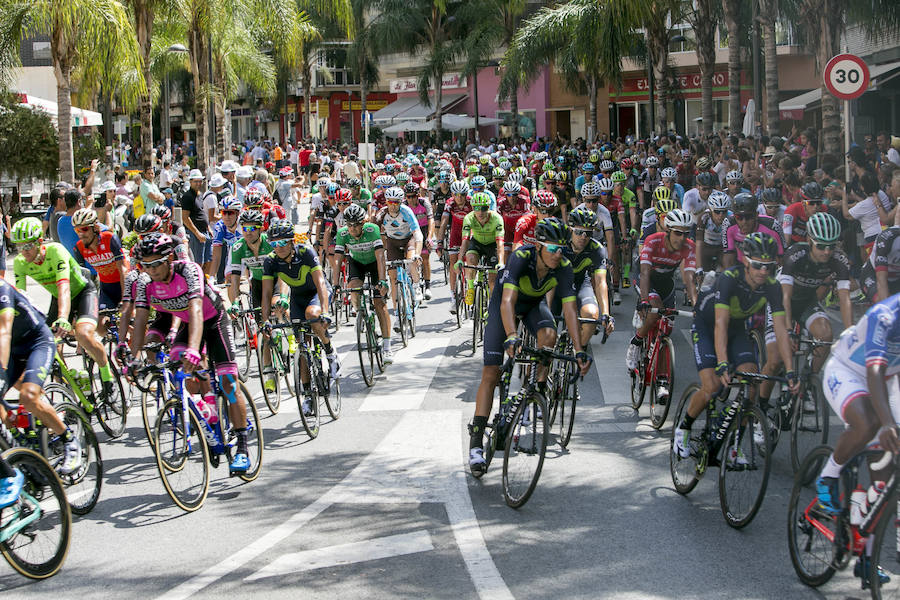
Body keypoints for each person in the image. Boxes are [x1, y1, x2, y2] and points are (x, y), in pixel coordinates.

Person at [468, 218, 592, 474]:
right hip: (506, 303)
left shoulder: (564, 266)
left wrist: (580, 350)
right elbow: (507, 302)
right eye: (553, 248)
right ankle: (476, 442)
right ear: (538, 246)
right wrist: (512, 335)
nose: (559, 254)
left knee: (549, 336)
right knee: (491, 372)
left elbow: (569, 310)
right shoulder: (521, 257)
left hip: (534, 305)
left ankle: (535, 387)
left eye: (562, 248)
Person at [129, 233, 252, 472]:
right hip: (188, 324)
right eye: (146, 265)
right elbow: (142, 318)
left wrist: (195, 350)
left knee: (228, 382)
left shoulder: (188, 270)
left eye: (156, 264)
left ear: (170, 258)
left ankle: (243, 447)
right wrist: (135, 357)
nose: (151, 270)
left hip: (213, 321)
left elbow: (196, 309)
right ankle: (207, 406)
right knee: (178, 365)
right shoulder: (145, 283)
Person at [674, 232, 798, 461]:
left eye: (769, 266)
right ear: (747, 262)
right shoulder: (730, 278)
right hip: (707, 324)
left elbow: (781, 329)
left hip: (737, 327)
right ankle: (684, 428)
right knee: (711, 386)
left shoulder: (772, 286)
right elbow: (720, 323)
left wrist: (790, 370)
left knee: (751, 383)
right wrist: (722, 363)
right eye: (759, 265)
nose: (764, 271)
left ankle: (733, 444)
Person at [816, 292, 900, 587]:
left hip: (889, 380)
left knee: (887, 473)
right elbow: (873, 370)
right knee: (868, 423)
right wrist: (888, 422)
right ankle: (827, 476)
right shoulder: (886, 314)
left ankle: (866, 556)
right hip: (849, 370)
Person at [11, 217, 120, 406]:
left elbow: (64, 288)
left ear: (39, 242)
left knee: (83, 334)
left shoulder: (55, 251)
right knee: (52, 347)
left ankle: (106, 375)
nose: (24, 252)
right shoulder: (21, 263)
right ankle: (69, 396)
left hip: (82, 291)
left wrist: (63, 318)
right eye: (19, 247)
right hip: (58, 298)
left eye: (27, 246)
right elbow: (21, 297)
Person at [0, 279, 82, 477]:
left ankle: (69, 440)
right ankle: (18, 442)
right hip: (11, 350)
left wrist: (2, 370)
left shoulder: (2, 289)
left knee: (28, 397)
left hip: (36, 341)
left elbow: (4, 332)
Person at [260, 221, 340, 414]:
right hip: (298, 298)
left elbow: (320, 283)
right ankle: (307, 395)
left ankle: (330, 353)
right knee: (301, 345)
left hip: (316, 293)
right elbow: (266, 293)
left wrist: (326, 311)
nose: (277, 248)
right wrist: (265, 321)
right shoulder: (271, 261)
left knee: (312, 314)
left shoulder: (306, 253)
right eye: (273, 244)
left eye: (282, 243)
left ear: (291, 242)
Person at [626, 209, 698, 382]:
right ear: (668, 230)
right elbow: (644, 273)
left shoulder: (689, 246)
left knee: (665, 329)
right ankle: (635, 343)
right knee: (655, 310)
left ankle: (662, 378)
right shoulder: (653, 241)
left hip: (666, 283)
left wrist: (697, 305)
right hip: (646, 278)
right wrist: (644, 300)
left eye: (685, 233)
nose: (682, 238)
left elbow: (689, 278)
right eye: (678, 233)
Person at [333, 203, 394, 363]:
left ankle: (387, 346)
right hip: (357, 263)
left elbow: (381, 256)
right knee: (353, 288)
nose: (352, 228)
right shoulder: (343, 233)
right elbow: (338, 259)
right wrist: (335, 284)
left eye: (356, 225)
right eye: (349, 225)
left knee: (379, 303)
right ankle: (360, 312)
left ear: (363, 222)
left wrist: (382, 281)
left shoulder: (372, 229)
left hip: (374, 264)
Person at [376, 186, 424, 305]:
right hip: (392, 242)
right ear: (386, 202)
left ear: (401, 202)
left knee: (411, 260)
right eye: (390, 202)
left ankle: (416, 285)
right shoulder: (381, 214)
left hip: (408, 239)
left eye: (396, 202)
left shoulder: (406, 211)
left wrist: (417, 254)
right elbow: (374, 234)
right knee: (393, 278)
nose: (393, 205)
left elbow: (418, 234)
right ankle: (397, 314)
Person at [457, 191, 504, 305]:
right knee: (471, 260)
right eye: (476, 208)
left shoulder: (497, 219)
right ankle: (471, 288)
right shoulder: (469, 218)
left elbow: (500, 244)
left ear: (489, 207)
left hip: (492, 245)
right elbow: (465, 241)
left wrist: (501, 262)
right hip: (476, 243)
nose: (480, 212)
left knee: (492, 281)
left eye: (483, 208)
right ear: (472, 208)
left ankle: (492, 306)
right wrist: (459, 259)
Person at [782, 181, 829, 246]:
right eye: (811, 203)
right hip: (795, 242)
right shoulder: (791, 210)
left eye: (818, 202)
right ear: (803, 203)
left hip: (815, 243)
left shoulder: (824, 209)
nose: (815, 206)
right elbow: (786, 237)